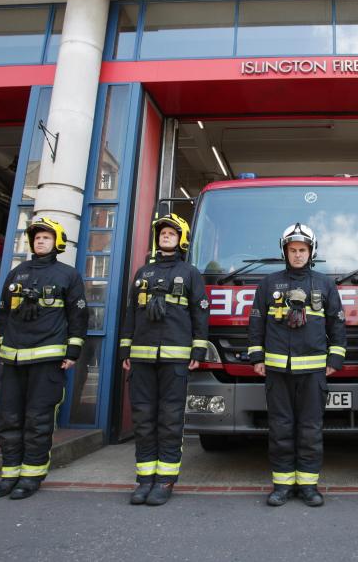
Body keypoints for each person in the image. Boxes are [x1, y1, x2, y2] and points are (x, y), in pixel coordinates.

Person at [0, 217, 87, 500]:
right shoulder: (17, 273)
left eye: (46, 238)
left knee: (38, 419)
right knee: (9, 419)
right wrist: (3, 343)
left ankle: (31, 476)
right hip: (13, 358)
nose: (40, 241)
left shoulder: (68, 275)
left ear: (57, 243)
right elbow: (3, 312)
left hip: (48, 358)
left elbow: (78, 315)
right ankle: (9, 475)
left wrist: (73, 350)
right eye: (37, 237)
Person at [248, 223, 346, 507]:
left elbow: (337, 324)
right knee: (280, 427)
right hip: (278, 371)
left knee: (310, 428)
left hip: (314, 371)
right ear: (285, 252)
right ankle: (281, 486)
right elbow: (256, 323)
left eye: (303, 250)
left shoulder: (325, 284)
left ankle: (308, 486)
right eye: (293, 250)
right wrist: (257, 357)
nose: (298, 255)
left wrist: (335, 359)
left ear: (311, 252)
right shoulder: (268, 284)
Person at [118, 213, 209, 506]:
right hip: (142, 358)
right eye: (162, 233)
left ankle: (165, 481)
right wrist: (125, 350)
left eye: (171, 233)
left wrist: (198, 350)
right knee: (144, 420)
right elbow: (131, 313)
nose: (165, 236)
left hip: (175, 359)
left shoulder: (191, 273)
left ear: (180, 238)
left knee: (170, 420)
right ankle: (144, 480)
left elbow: (200, 314)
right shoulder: (143, 273)